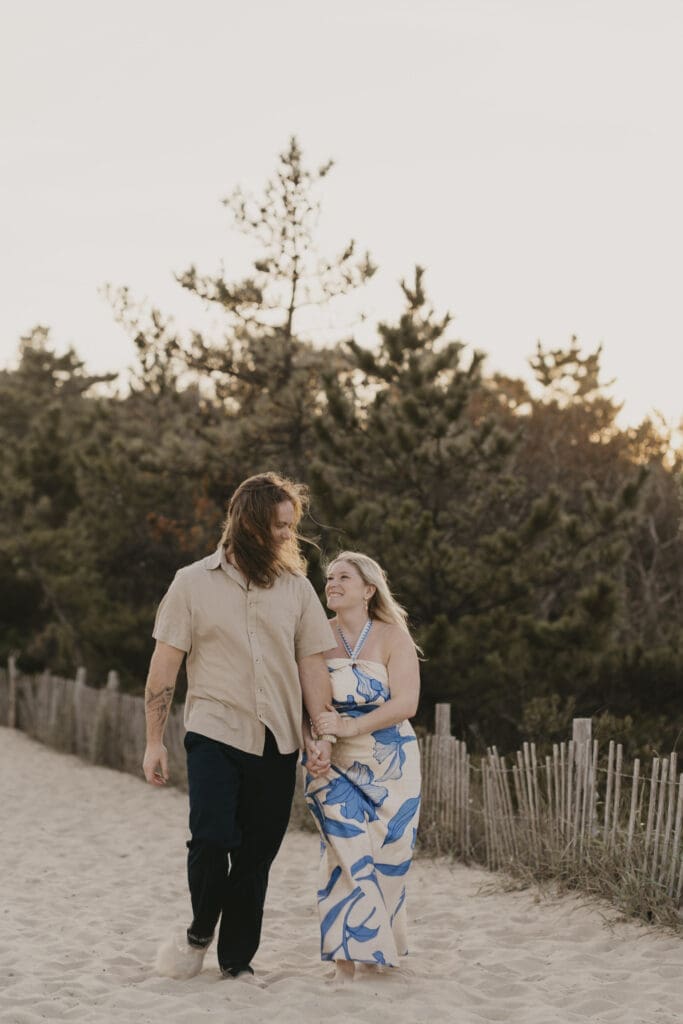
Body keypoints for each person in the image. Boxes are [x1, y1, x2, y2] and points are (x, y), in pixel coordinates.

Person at [143, 472, 335, 981]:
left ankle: (236, 960)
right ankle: (200, 931)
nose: (290, 536)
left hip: (279, 739)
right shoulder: (191, 583)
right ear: (249, 524)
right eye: (280, 527)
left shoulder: (297, 589)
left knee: (256, 855)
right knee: (210, 838)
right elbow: (164, 668)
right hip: (214, 730)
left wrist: (321, 732)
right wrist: (153, 742)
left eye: (292, 526)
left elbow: (313, 663)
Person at [304, 551, 421, 982]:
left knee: (389, 857)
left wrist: (352, 725)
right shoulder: (315, 635)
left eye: (343, 577)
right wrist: (313, 741)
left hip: (392, 762)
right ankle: (344, 965)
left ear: (368, 589)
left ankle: (376, 942)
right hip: (332, 763)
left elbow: (406, 703)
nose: (332, 582)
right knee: (342, 856)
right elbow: (306, 703)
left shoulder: (393, 636)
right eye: (330, 577)